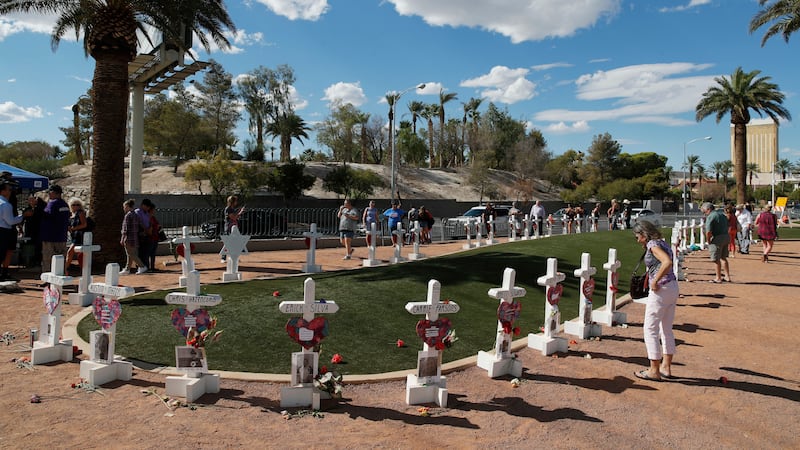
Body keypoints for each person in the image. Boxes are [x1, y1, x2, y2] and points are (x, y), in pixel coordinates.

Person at [632, 220, 679, 382]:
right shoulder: (662, 242)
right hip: (672, 287)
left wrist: (655, 281)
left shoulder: (653, 244)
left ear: (644, 235)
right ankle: (666, 366)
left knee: (650, 329)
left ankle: (654, 369)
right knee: (666, 329)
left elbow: (666, 262)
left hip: (661, 289)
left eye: (637, 237)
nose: (637, 241)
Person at [0, 180, 31, 281]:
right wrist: (23, 216)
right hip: (3, 231)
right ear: (3, 191)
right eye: (8, 189)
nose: (10, 191)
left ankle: (3, 274)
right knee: (2, 253)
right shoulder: (6, 204)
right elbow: (10, 221)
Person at [40, 185, 71, 273]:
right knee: (61, 258)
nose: (49, 194)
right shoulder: (65, 204)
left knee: (48, 259)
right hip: (61, 236)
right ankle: (60, 275)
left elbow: (46, 215)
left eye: (50, 192)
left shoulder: (52, 203)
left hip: (50, 236)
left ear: (54, 192)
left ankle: (47, 280)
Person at [700, 202, 730, 283]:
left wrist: (708, 240)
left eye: (704, 211)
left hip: (717, 238)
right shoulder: (722, 215)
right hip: (726, 236)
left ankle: (718, 278)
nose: (704, 213)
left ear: (708, 209)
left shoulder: (711, 217)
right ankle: (727, 276)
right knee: (723, 258)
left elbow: (708, 231)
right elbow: (728, 225)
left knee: (716, 259)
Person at [120, 199, 147, 275]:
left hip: (128, 238)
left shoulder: (128, 215)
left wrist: (122, 238)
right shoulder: (136, 215)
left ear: (128, 206)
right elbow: (140, 225)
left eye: (124, 207)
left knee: (131, 254)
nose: (124, 208)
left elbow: (125, 229)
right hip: (135, 238)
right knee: (131, 254)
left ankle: (142, 266)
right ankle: (127, 269)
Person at [65, 197, 88, 271]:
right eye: (73, 205)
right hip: (73, 236)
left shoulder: (80, 213)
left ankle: (65, 269)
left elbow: (84, 224)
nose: (76, 206)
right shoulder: (71, 214)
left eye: (77, 205)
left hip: (79, 236)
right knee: (78, 254)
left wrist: (74, 228)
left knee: (70, 252)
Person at [23, 194, 46, 268]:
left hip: (38, 231)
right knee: (30, 246)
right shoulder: (27, 209)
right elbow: (23, 219)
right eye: (29, 200)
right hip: (29, 231)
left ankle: (37, 262)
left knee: (38, 247)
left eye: (32, 199)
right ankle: (29, 262)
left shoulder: (41, 208)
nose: (31, 201)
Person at [221, 195, 245, 263]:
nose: (236, 202)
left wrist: (239, 212)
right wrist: (240, 212)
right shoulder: (228, 209)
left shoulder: (231, 209)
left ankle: (234, 257)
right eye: (235, 201)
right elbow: (233, 217)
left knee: (234, 242)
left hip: (233, 227)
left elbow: (235, 216)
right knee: (227, 243)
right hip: (229, 227)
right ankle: (223, 258)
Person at [135, 199, 153, 265]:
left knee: (146, 252)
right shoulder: (138, 212)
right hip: (141, 234)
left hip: (147, 234)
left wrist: (149, 229)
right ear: (143, 205)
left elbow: (149, 222)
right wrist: (145, 230)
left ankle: (146, 265)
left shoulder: (147, 213)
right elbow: (140, 223)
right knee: (141, 252)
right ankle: (141, 266)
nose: (148, 208)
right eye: (147, 206)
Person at [146, 203, 162, 271]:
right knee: (148, 253)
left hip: (155, 237)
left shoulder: (152, 217)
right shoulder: (148, 217)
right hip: (150, 238)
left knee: (152, 253)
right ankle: (147, 267)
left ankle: (152, 267)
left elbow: (157, 225)